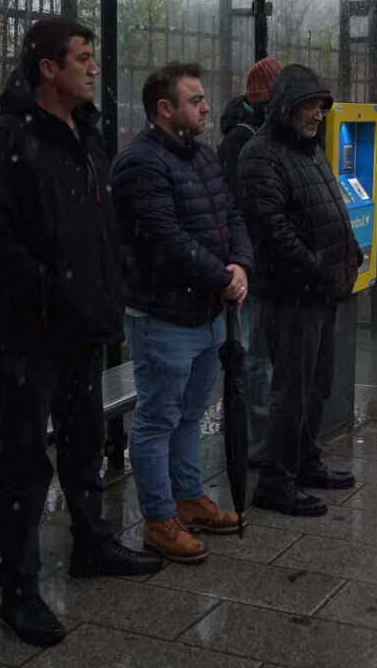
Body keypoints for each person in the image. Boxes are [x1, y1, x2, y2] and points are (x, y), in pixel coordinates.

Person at [0, 18, 162, 649]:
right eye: (82, 58)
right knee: (24, 460)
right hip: (31, 334)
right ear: (48, 68)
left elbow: (100, 222)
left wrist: (111, 281)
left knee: (84, 442)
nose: (93, 67)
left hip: (87, 326)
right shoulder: (7, 141)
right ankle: (18, 587)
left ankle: (92, 544)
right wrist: (57, 293)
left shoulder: (87, 133)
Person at [110, 61, 251, 566]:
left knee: (190, 415)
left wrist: (239, 264)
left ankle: (189, 499)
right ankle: (157, 519)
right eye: (195, 100)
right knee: (157, 420)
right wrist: (224, 277)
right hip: (163, 318)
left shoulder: (203, 156)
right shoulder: (141, 162)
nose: (207, 106)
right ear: (165, 109)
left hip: (207, 313)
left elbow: (231, 214)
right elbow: (164, 239)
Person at [235, 63, 362, 517]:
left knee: (316, 385)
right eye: (310, 106)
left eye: (322, 108)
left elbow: (328, 210)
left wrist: (347, 260)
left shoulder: (307, 150)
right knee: (291, 389)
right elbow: (272, 230)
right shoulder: (260, 154)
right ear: (287, 105)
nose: (318, 115)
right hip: (293, 295)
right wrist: (317, 272)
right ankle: (277, 480)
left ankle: (305, 462)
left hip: (321, 292)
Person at [217, 56, 283, 464]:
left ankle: (256, 437)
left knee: (259, 356)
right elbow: (239, 208)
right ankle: (255, 442)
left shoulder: (251, 137)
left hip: (259, 262)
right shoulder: (244, 141)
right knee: (256, 357)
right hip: (253, 265)